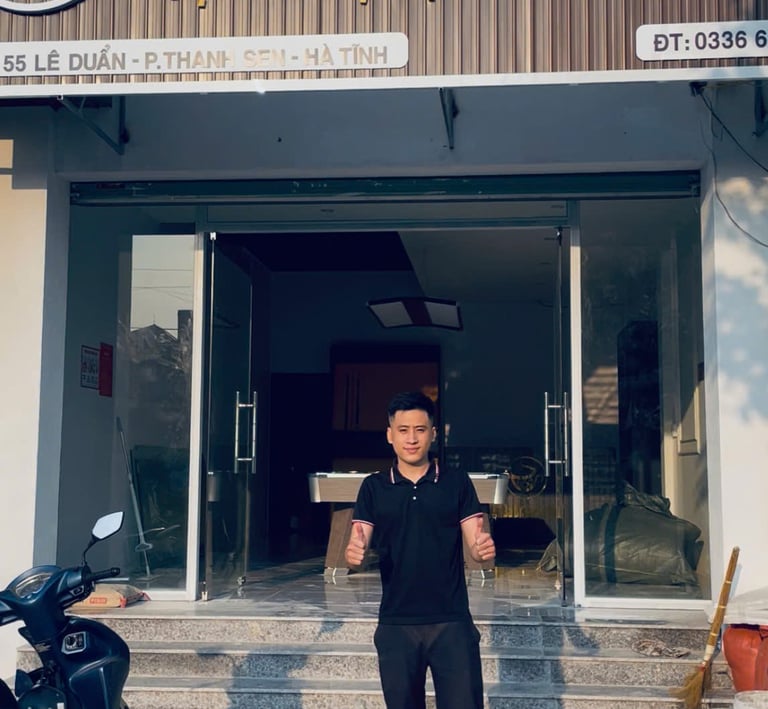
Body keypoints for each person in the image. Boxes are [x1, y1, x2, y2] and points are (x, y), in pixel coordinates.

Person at [345, 390, 495, 709]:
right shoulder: (373, 487)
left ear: (433, 434)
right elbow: (359, 543)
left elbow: (476, 543)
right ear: (390, 435)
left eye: (420, 430)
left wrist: (481, 550)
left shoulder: (456, 482)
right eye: (403, 430)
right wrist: (354, 555)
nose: (411, 439)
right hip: (396, 624)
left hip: (451, 622)